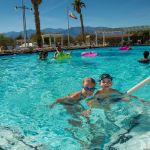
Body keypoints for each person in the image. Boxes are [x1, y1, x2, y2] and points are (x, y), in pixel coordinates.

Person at [82, 74, 147, 116]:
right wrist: (89, 110)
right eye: (103, 82)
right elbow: (93, 101)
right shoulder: (99, 93)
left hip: (112, 100)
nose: (106, 84)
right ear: (100, 84)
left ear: (111, 83)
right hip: (102, 101)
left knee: (126, 98)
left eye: (108, 82)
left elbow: (125, 95)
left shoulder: (113, 91)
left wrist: (140, 99)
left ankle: (139, 108)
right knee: (90, 101)